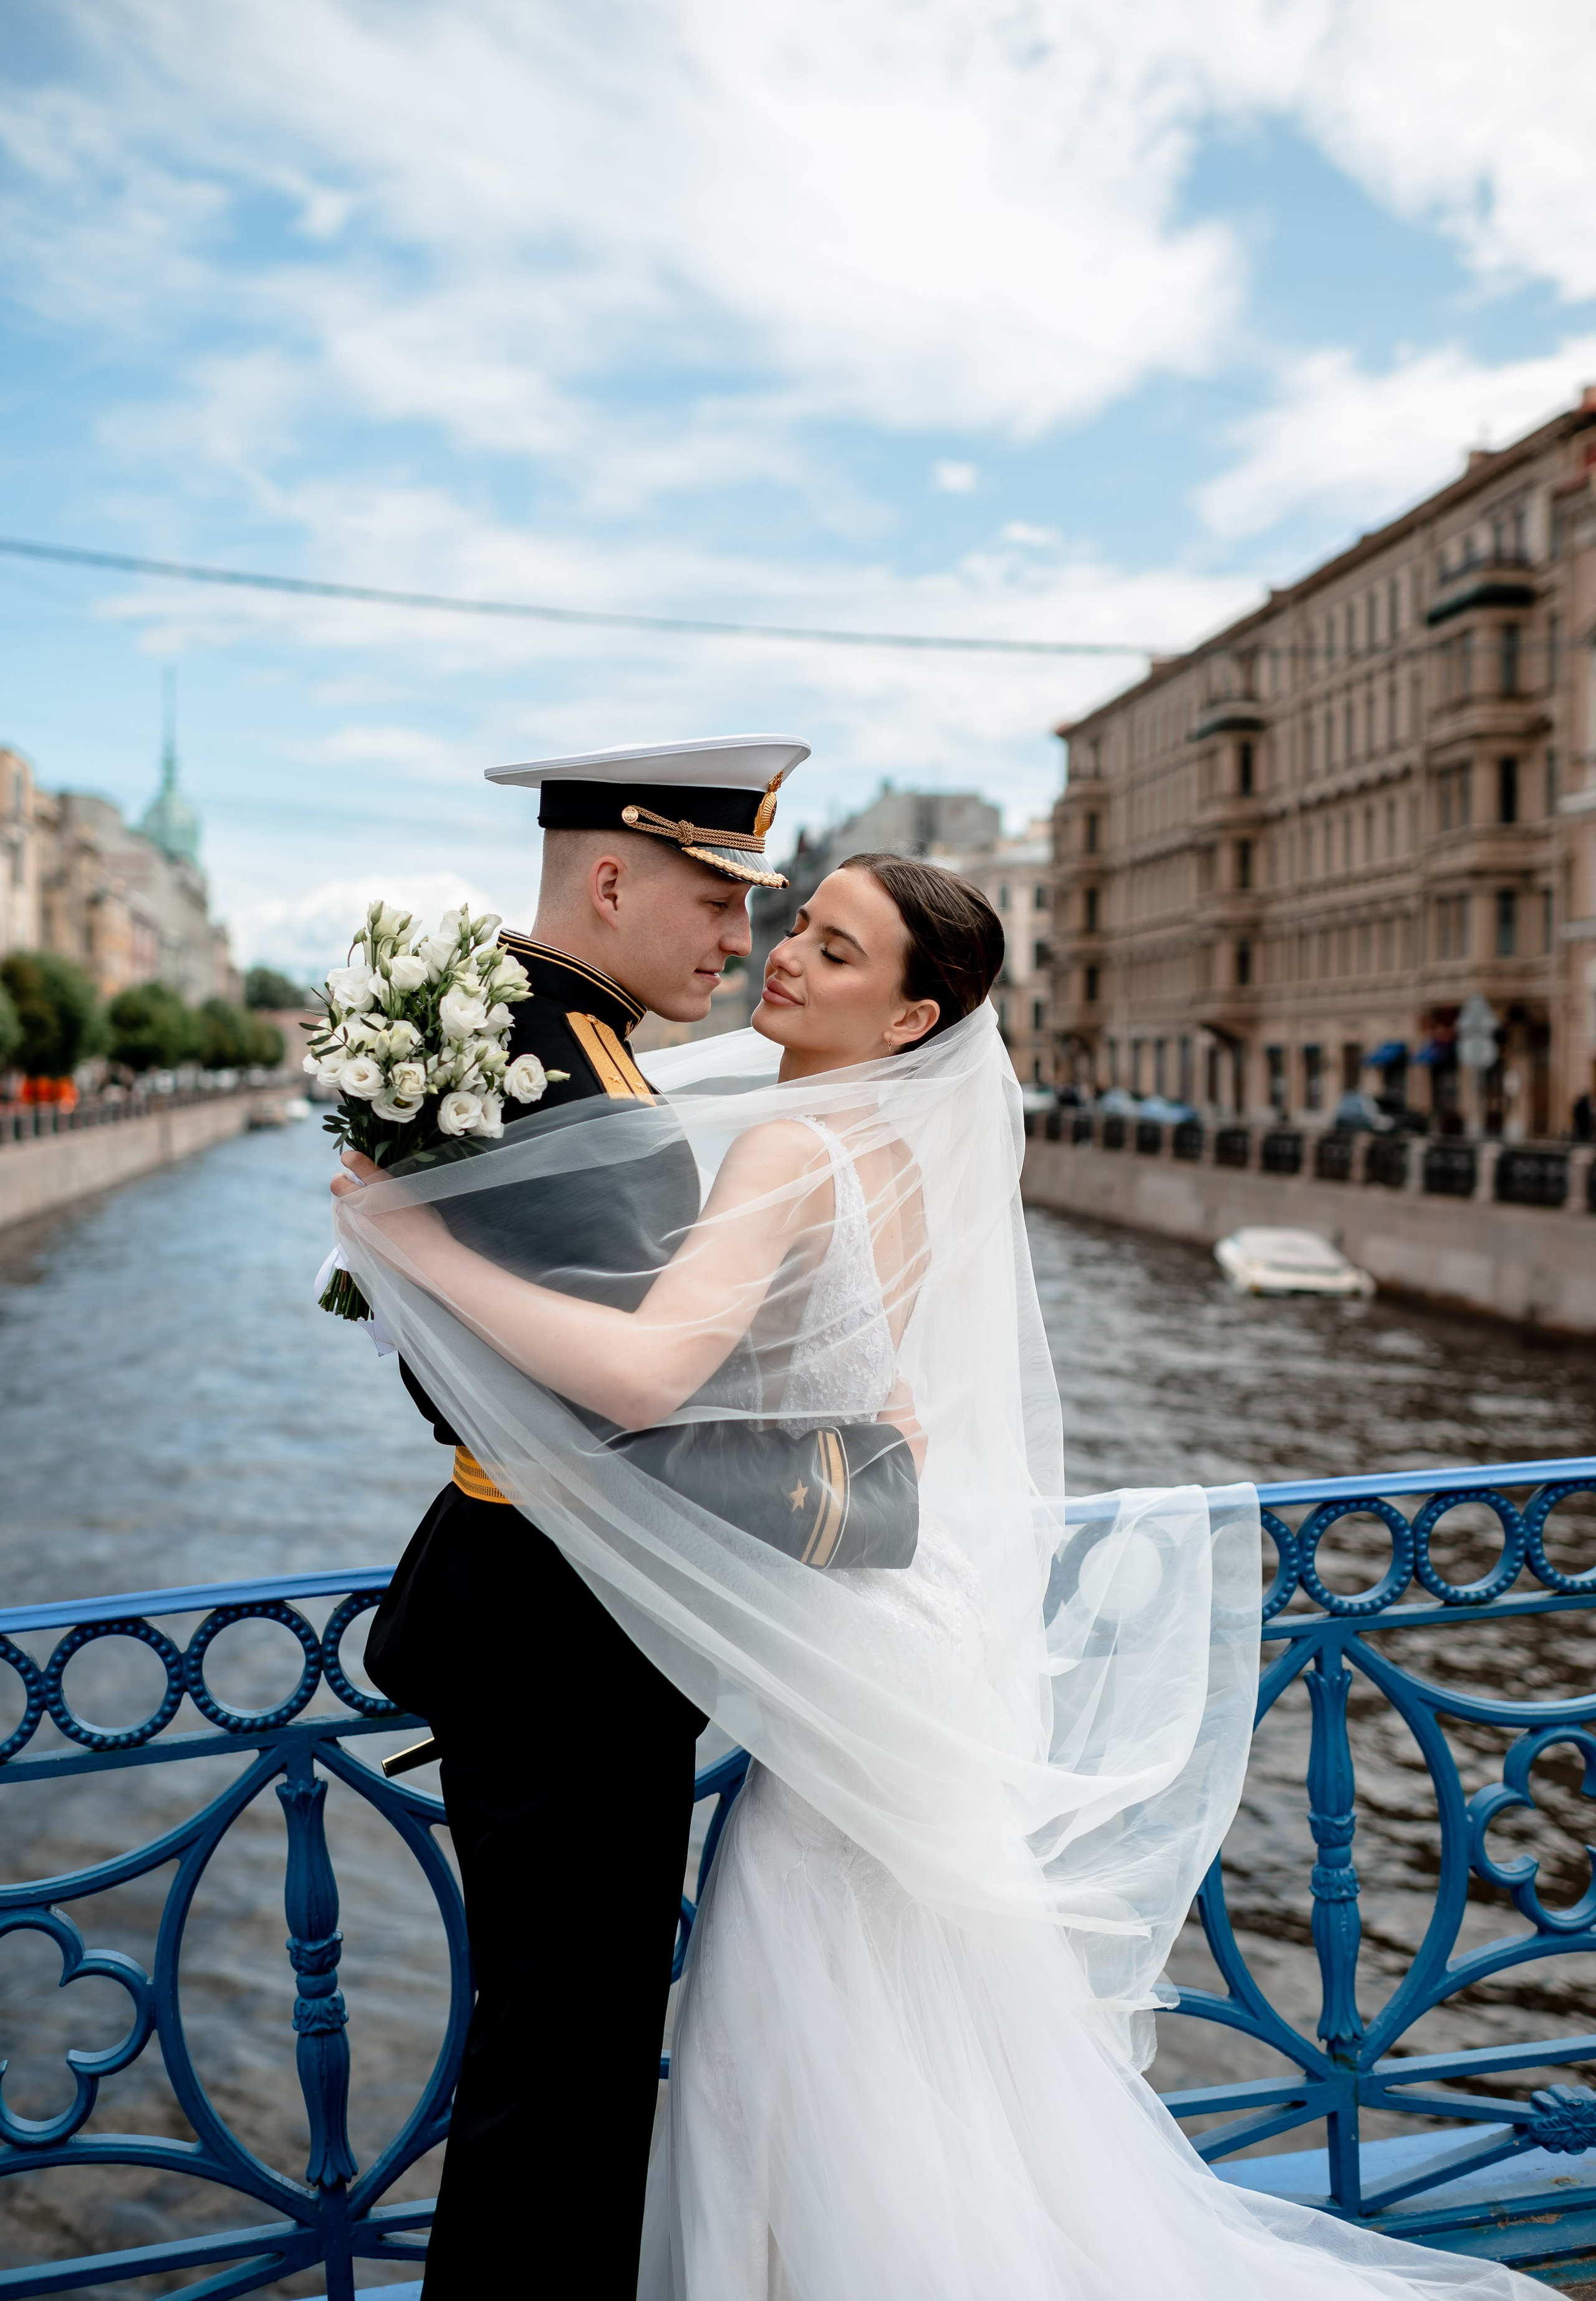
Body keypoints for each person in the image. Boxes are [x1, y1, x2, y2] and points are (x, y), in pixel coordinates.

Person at [335, 856, 1538, 2301]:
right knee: (898, 2005)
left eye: (833, 952)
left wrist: (410, 1245)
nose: (780, 956)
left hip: (853, 1634)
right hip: (899, 1614)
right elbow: (841, 1383)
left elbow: (651, 1377)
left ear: (910, 1020)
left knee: (806, 1986)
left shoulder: (788, 1149)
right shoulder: (885, 1146)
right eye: (793, 928)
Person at [359, 736, 915, 2300]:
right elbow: (621, 1389)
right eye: (722, 903)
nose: (741, 944)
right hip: (561, 1631)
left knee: (573, 2044)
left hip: (555, 1614)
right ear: (612, 877)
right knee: (568, 2060)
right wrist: (854, 1475)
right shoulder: (544, 1054)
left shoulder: (556, 1040)